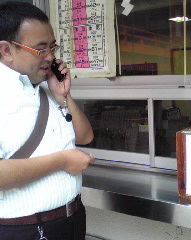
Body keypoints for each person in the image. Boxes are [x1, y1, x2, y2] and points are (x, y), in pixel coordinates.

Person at [0, 2, 95, 240]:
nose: (50, 57)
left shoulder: (44, 86)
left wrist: (64, 96)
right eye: (40, 49)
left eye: (52, 47)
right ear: (6, 50)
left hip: (71, 217)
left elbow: (85, 137)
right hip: (25, 228)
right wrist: (62, 160)